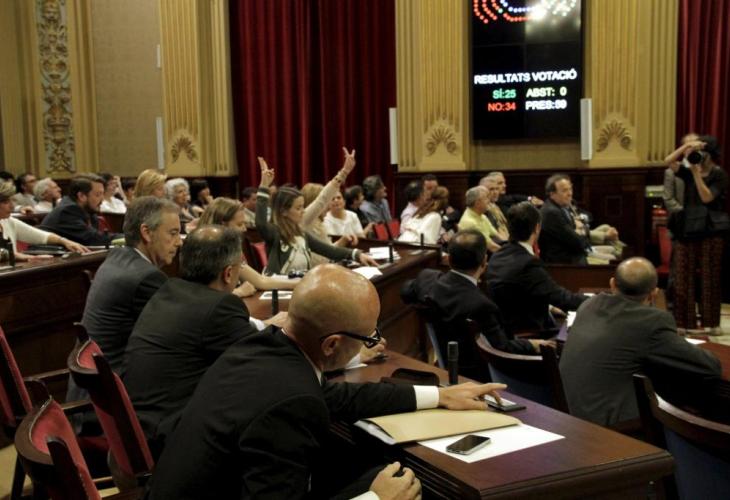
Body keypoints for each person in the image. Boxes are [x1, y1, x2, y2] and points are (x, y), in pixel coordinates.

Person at [147, 264, 506, 500]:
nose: (373, 342)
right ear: (332, 344)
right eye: (368, 337)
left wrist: (440, 396)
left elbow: (339, 396)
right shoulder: (291, 401)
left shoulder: (259, 347)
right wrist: (375, 498)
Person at [124, 226, 283, 456]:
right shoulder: (219, 307)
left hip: (141, 430)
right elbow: (264, 361)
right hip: (173, 442)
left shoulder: (169, 290)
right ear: (228, 273)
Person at [559, 257, 721, 426]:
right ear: (654, 293)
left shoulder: (589, 304)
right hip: (613, 428)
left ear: (612, 284)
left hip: (567, 416)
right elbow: (710, 367)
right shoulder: (652, 321)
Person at [402, 230, 552, 380]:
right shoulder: (482, 306)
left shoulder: (427, 278)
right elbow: (502, 348)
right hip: (480, 376)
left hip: (450, 368)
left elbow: (406, 291)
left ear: (449, 259)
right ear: (484, 261)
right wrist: (534, 344)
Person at [80, 196, 182, 374]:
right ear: (146, 232)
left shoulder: (118, 257)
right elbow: (180, 333)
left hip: (97, 379)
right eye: (173, 233)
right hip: (117, 382)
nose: (179, 242)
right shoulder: (146, 277)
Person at [255, 158, 375, 274]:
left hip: (302, 283)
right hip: (279, 286)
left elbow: (329, 250)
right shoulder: (275, 233)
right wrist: (264, 186)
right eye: (298, 208)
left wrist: (357, 254)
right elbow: (261, 223)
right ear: (284, 212)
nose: (303, 211)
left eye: (303, 207)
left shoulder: (301, 234)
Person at [486, 202, 588, 335]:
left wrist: (550, 307)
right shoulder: (527, 263)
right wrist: (597, 301)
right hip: (530, 334)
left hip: (507, 331)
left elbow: (517, 295)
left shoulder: (497, 255)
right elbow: (563, 299)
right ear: (537, 228)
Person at [667, 135, 729, 333]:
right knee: (683, 277)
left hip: (710, 231)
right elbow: (668, 161)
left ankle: (711, 323)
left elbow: (707, 197)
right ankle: (684, 323)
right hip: (687, 228)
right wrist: (687, 146)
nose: (697, 156)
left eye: (701, 152)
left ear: (709, 155)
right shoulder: (688, 171)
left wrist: (696, 174)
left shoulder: (719, 174)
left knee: (709, 278)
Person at [198, 197, 298, 297]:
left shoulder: (231, 249)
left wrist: (298, 284)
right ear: (222, 225)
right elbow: (200, 295)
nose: (244, 229)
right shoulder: (201, 251)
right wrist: (237, 292)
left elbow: (260, 281)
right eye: (239, 224)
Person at [0, 181, 87, 260]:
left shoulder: (8, 221)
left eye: (11, 201)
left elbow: (41, 236)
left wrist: (65, 241)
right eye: (5, 202)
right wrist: (27, 257)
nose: (12, 206)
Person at [39, 174, 122, 246]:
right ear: (81, 196)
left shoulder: (89, 210)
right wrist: (127, 238)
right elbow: (93, 239)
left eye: (102, 194)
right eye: (98, 194)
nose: (102, 199)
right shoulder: (67, 211)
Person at [538, 174, 590, 264]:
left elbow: (581, 239)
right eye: (564, 190)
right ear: (552, 194)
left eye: (570, 189)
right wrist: (580, 230)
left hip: (575, 256)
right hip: (563, 264)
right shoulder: (552, 213)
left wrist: (579, 231)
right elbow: (579, 243)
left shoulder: (561, 207)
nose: (570, 193)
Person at [663, 133, 699, 215]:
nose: (692, 149)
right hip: (682, 215)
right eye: (689, 146)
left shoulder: (704, 169)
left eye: (694, 146)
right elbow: (668, 198)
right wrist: (684, 212)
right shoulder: (671, 171)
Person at [457, 186, 502, 253]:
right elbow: (491, 247)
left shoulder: (482, 216)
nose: (489, 201)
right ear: (477, 203)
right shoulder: (470, 222)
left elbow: (496, 234)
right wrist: (509, 253)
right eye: (486, 198)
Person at [480, 175, 510, 242]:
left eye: (497, 189)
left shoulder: (495, 206)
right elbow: (493, 235)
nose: (495, 192)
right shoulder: (484, 210)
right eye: (491, 189)